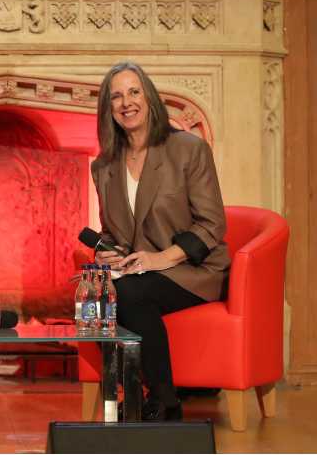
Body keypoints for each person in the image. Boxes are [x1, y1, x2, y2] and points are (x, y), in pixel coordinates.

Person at [91, 62, 230, 421]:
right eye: (116, 96)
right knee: (98, 294)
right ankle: (136, 397)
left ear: (149, 97)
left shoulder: (187, 149)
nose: (126, 103)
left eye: (134, 92)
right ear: (108, 109)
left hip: (192, 268)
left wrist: (159, 259)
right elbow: (112, 233)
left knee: (130, 293)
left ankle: (164, 400)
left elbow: (212, 224)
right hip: (140, 271)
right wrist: (107, 255)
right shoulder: (103, 165)